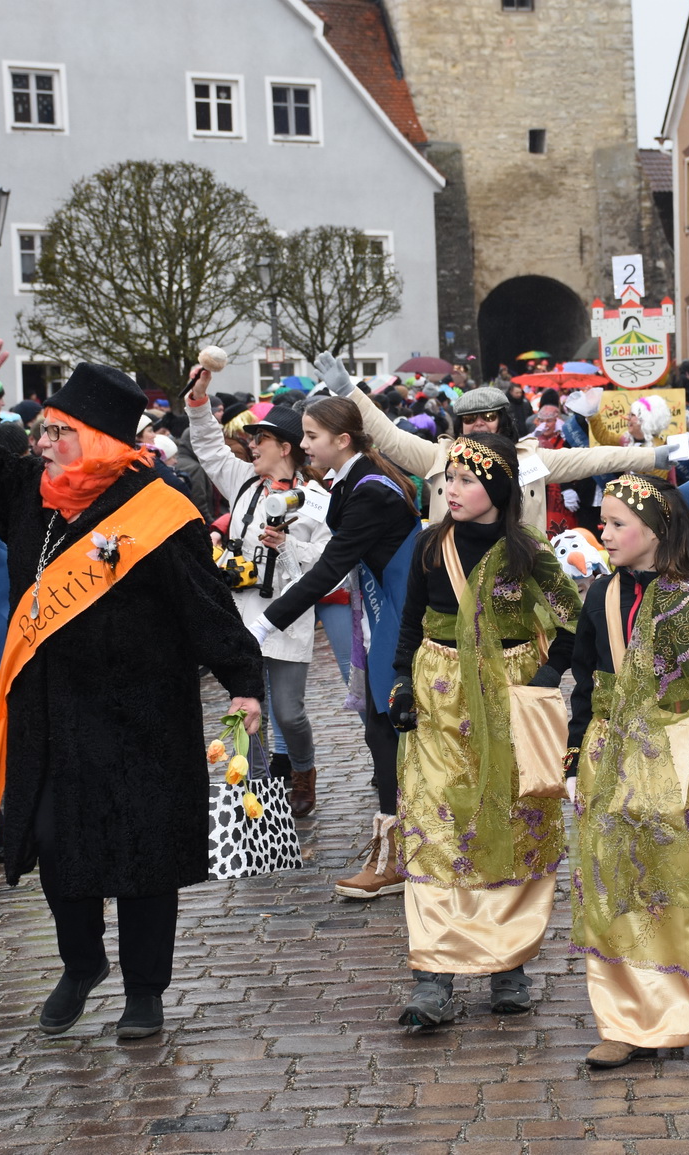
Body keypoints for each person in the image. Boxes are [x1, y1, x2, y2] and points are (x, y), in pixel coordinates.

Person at [0, 337, 263, 1040]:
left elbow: (204, 603)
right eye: (45, 430)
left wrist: (243, 681)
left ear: (101, 441)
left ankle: (145, 989)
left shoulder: (159, 506)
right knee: (57, 840)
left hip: (142, 710)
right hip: (54, 711)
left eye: (60, 432)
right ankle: (81, 963)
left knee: (145, 854)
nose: (45, 442)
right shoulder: (32, 497)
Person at [565, 473, 689, 1068]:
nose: (607, 532)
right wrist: (574, 757)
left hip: (682, 761)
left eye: (619, 523)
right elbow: (584, 684)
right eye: (606, 522)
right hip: (612, 760)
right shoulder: (598, 595)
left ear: (656, 531)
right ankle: (623, 1020)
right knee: (615, 886)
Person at [389, 433, 580, 1028]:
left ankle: (509, 966)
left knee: (510, 823)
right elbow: (409, 623)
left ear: (496, 489)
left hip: (508, 695)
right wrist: (399, 684)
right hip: (440, 698)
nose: (451, 490)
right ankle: (432, 977)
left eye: (466, 481)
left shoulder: (529, 553)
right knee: (436, 825)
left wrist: (545, 677)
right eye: (448, 480)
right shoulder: (428, 547)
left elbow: (576, 621)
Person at [246, 393, 422, 902]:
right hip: (386, 610)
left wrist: (265, 625)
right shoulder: (353, 480)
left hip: (399, 618)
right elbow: (334, 557)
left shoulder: (368, 490)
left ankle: (396, 854)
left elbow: (330, 570)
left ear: (342, 440)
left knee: (387, 729)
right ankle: (403, 843)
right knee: (379, 729)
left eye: (311, 437)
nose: (303, 446)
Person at [314, 355, 660, 537]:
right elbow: (388, 436)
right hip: (453, 575)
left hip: (516, 575)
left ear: (504, 421)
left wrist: (654, 454)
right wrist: (348, 390)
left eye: (488, 416)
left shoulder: (530, 459)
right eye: (470, 419)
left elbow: (595, 458)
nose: (478, 424)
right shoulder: (440, 457)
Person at [184, 385, 327, 816]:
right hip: (242, 614)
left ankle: (303, 771)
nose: (251, 446)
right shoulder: (244, 484)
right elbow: (209, 448)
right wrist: (197, 405)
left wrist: (286, 546)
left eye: (260, 440)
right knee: (248, 707)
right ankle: (258, 786)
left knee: (288, 712)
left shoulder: (317, 501)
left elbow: (328, 563)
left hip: (286, 616)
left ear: (285, 447)